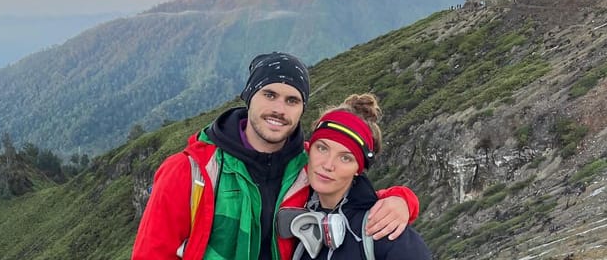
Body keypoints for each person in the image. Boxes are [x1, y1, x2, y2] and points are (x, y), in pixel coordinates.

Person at [132, 52, 420, 260]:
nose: (280, 109)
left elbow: (355, 197)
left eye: (292, 100)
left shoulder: (309, 167)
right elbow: (151, 253)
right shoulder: (191, 170)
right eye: (269, 95)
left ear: (301, 109)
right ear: (249, 97)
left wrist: (402, 200)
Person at [290, 93, 432, 260]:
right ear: (309, 149)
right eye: (322, 148)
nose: (328, 165)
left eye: (345, 158)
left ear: (358, 168)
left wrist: (404, 200)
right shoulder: (297, 215)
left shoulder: (385, 231)